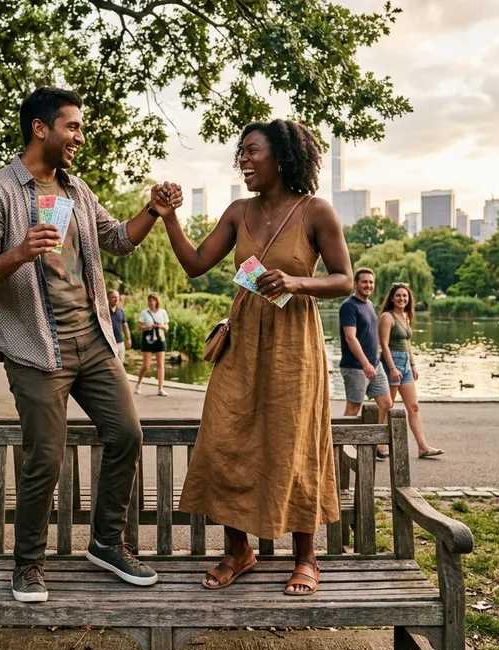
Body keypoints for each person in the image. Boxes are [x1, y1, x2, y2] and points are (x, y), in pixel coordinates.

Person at [0, 86, 181, 602]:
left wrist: (151, 210)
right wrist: (18, 253)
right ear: (41, 129)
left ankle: (107, 542)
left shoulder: (78, 192)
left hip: (94, 340)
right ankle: (29, 563)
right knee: (47, 456)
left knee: (126, 433)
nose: (80, 136)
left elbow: (118, 239)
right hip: (38, 348)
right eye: (73, 127)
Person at [160, 118, 353, 596]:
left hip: (294, 345)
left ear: (282, 158)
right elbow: (195, 265)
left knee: (295, 441)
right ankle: (237, 551)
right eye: (240, 153)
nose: (243, 159)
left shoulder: (316, 212)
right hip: (242, 340)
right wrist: (168, 218)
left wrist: (296, 281)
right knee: (227, 437)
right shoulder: (237, 212)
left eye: (252, 151)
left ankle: (305, 557)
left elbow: (345, 279)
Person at [379, 282, 444, 459]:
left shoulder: (406, 316)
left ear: (409, 299)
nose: (402, 299)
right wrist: (391, 367)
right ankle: (379, 445)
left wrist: (413, 365)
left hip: (405, 364)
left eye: (405, 296)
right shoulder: (387, 316)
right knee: (387, 406)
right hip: (391, 362)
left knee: (413, 407)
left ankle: (422, 447)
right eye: (398, 295)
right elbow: (383, 344)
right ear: (392, 298)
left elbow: (407, 343)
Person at [339, 268, 393, 460]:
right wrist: (365, 364)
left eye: (371, 282)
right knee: (353, 408)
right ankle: (341, 448)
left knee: (386, 403)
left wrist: (374, 362)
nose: (368, 285)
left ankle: (375, 445)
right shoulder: (349, 306)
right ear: (355, 283)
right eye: (364, 282)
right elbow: (350, 338)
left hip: (374, 364)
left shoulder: (369, 304)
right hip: (356, 367)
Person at [134, 293, 169, 396]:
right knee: (146, 365)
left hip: (160, 339)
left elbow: (167, 328)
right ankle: (138, 383)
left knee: (160, 364)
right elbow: (139, 327)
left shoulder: (162, 312)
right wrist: (148, 327)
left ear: (157, 301)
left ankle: (160, 388)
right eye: (149, 301)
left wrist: (161, 326)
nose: (151, 303)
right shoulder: (144, 313)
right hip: (148, 338)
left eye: (153, 300)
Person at [107, 290, 131, 364]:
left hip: (120, 342)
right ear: (108, 298)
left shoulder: (120, 311)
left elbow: (125, 326)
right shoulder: (104, 311)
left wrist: (128, 339)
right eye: (113, 297)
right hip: (107, 343)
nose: (116, 299)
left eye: (117, 297)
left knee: (120, 364)